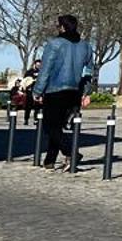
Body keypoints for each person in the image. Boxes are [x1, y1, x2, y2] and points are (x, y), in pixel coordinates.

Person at [35, 15, 95, 168]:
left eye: (58, 26)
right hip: (74, 90)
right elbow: (89, 71)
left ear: (62, 27)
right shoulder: (86, 46)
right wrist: (86, 91)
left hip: (55, 89)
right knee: (58, 126)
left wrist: (38, 91)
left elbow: (45, 69)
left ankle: (71, 153)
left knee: (50, 126)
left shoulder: (54, 44)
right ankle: (49, 160)